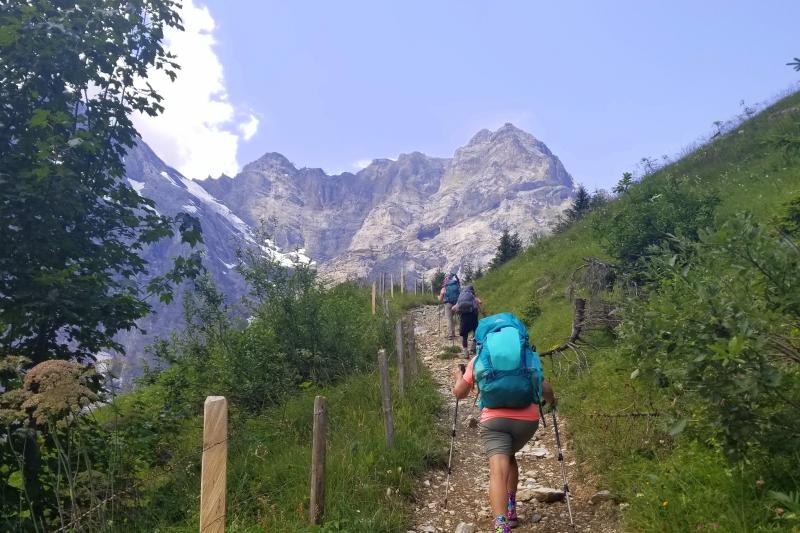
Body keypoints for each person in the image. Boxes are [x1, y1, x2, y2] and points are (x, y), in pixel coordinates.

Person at [451, 314, 556, 533]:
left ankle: (501, 525)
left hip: (495, 422)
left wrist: (457, 376)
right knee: (510, 456)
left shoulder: (479, 358)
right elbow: (546, 390)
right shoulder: (527, 355)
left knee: (498, 471)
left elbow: (459, 393)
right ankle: (511, 509)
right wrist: (553, 401)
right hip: (527, 422)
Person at [451, 285, 482, 358]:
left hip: (464, 318)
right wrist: (480, 310)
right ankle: (474, 348)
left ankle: (465, 353)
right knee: (476, 332)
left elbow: (453, 308)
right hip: (473, 317)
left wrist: (456, 312)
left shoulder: (460, 298)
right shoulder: (473, 297)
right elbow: (480, 302)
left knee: (464, 336)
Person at [438, 272, 460, 338]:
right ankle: (459, 332)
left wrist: (439, 296)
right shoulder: (457, 285)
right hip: (457, 303)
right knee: (456, 318)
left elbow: (440, 299)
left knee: (449, 319)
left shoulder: (445, 287)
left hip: (448, 304)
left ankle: (450, 334)